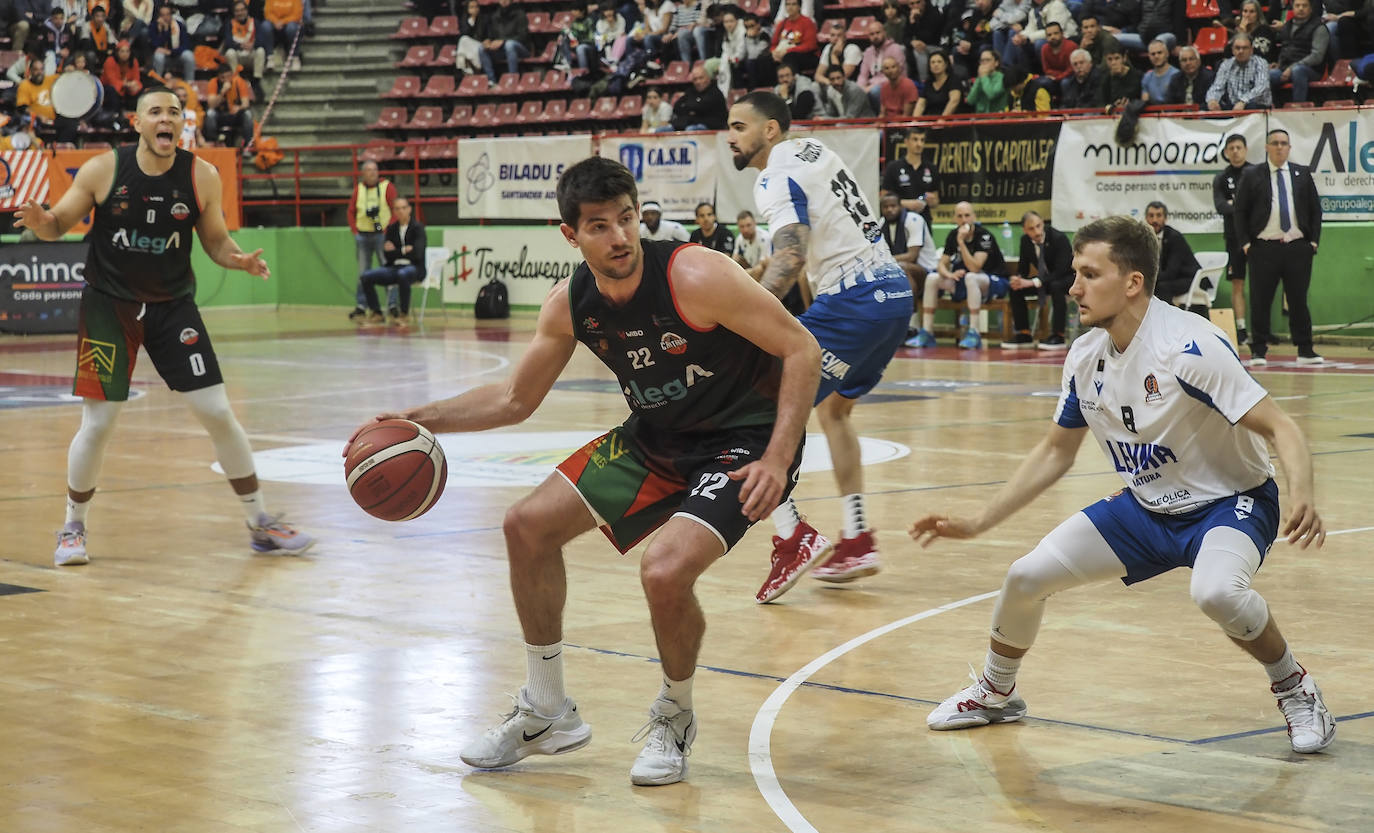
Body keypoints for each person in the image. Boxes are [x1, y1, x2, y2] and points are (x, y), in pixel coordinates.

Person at [352, 155, 820, 787]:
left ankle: (673, 716)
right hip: (655, 439)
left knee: (664, 571)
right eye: (599, 226)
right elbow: (515, 399)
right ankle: (547, 710)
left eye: (626, 219)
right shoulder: (571, 304)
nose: (620, 236)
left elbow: (801, 347)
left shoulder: (696, 274)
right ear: (570, 234)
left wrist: (779, 455)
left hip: (742, 443)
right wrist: (424, 417)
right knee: (526, 526)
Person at [911, 215, 1334, 758]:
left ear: (1132, 282)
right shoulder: (1086, 356)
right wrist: (976, 523)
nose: (1074, 286)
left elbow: (1282, 426)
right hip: (1145, 507)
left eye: (1089, 274)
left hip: (1230, 503)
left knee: (1216, 592)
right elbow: (1055, 452)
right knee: (1023, 577)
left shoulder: (1190, 347)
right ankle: (996, 693)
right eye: (1074, 273)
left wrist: (1303, 493)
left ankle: (1297, 689)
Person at [15, 86, 313, 568]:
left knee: (217, 411)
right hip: (109, 307)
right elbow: (58, 224)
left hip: (172, 307)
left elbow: (216, 241)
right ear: (137, 122)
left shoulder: (202, 176)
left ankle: (260, 523)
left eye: (174, 112)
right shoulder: (103, 170)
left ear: (182, 123)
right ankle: (73, 526)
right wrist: (40, 220)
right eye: (156, 111)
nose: (166, 119)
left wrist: (237, 260)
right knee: (100, 422)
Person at [728, 91, 915, 599]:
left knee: (749, 411)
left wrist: (747, 321)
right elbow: (798, 256)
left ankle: (792, 537)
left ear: (770, 131)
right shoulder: (816, 153)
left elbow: (791, 255)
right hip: (894, 294)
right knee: (833, 412)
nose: (731, 137)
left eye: (740, 127)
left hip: (855, 301)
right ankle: (856, 537)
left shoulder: (773, 176)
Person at [1235, 128, 1324, 366]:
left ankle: (1305, 350)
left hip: (1297, 248)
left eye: (1284, 143)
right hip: (1263, 248)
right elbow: (1240, 211)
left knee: (1298, 299)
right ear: (1266, 147)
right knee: (1261, 300)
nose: (1279, 147)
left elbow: (1316, 210)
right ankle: (1259, 351)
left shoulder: (1302, 174)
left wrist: (1313, 242)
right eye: (1274, 143)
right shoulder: (1253, 174)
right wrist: (1245, 243)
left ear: (1289, 147)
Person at [909, 201, 1010, 350]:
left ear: (973, 217)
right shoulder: (953, 235)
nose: (964, 220)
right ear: (955, 219)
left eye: (967, 215)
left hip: (994, 281)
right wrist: (949, 274)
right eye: (960, 216)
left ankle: (974, 332)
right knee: (932, 278)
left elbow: (975, 267)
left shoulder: (984, 236)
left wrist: (961, 243)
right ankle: (927, 332)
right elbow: (941, 265)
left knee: (971, 277)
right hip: (967, 282)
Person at [1002, 210, 1072, 349]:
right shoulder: (1025, 241)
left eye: (1039, 226)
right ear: (1024, 230)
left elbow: (1061, 271)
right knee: (1015, 289)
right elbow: (1023, 268)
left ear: (1043, 223)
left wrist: (1034, 282)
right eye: (1031, 228)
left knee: (1056, 286)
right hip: (1045, 281)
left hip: (1067, 278)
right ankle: (1024, 333)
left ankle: (1059, 335)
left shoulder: (1059, 238)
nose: (1037, 231)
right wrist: (1018, 279)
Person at [358, 197, 426, 328]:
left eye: (404, 208)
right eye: (397, 209)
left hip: (415, 269)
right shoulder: (391, 229)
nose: (401, 211)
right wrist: (404, 250)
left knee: (403, 274)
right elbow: (387, 255)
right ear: (394, 211)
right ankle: (376, 312)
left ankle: (404, 314)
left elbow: (417, 254)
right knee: (366, 276)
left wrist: (396, 251)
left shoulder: (418, 228)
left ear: (409, 209)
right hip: (394, 267)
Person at [1214, 133, 1255, 344]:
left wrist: (1236, 205)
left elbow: (1261, 205)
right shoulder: (1221, 178)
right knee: (1237, 283)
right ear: (1227, 152)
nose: (1236, 151)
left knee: (1260, 284)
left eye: (1239, 147)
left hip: (1257, 238)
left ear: (1245, 149)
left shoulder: (1256, 173)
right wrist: (1241, 207)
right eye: (1232, 148)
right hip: (1234, 239)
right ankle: (1241, 329)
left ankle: (1260, 329)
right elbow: (1221, 206)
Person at [347, 160, 399, 321]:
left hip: (382, 236)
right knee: (363, 272)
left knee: (389, 270)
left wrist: (388, 231)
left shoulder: (387, 187)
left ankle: (392, 305)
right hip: (363, 236)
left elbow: (395, 209)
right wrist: (355, 231)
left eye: (375, 170)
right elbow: (350, 211)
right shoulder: (359, 190)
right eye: (369, 170)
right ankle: (362, 306)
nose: (372, 173)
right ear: (363, 173)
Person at [879, 194, 939, 319]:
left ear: (900, 207)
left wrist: (884, 261)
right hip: (897, 268)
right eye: (885, 207)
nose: (890, 209)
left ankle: (911, 321)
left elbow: (912, 256)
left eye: (893, 206)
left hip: (927, 271)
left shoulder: (914, 220)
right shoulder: (882, 223)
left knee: (902, 269)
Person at [1144, 200, 1202, 311]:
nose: (1154, 220)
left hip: (1189, 278)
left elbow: (1172, 272)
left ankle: (1167, 320)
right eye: (1151, 216)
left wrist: (1149, 279)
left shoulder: (1174, 237)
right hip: (1167, 278)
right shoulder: (1145, 238)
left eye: (1159, 215)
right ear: (1146, 218)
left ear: (1165, 218)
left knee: (1161, 287)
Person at [881, 128, 940, 232]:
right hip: (899, 222)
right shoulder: (893, 167)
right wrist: (908, 204)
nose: (919, 144)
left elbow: (936, 201)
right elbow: (883, 197)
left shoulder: (931, 168)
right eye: (915, 139)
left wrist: (932, 200)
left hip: (924, 222)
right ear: (906, 142)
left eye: (922, 140)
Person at [1270, 0, 1328, 104]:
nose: (1301, 8)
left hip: (1312, 69)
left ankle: (1298, 108)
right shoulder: (1287, 26)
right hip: (1286, 68)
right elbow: (1285, 49)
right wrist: (1279, 64)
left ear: (1310, 9)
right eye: (1297, 5)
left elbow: (1317, 56)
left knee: (1298, 71)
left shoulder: (1319, 27)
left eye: (1304, 6)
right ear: (1293, 8)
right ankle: (1272, 110)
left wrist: (1291, 68)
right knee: (1268, 75)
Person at [1206, 33, 1272, 110]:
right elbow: (1217, 86)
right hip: (1234, 106)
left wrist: (1243, 101)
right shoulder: (1226, 64)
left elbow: (1261, 87)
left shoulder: (1261, 63)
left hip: (1256, 105)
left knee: (1251, 106)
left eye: (1245, 48)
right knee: (1207, 106)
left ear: (1251, 50)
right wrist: (1212, 100)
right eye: (1237, 48)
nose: (1241, 51)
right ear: (1233, 50)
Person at [476, 0, 530, 83]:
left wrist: (504, 41)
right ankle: (491, 81)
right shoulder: (495, 16)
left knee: (510, 45)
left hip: (521, 48)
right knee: (481, 48)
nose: (504, 1)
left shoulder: (520, 14)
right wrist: (488, 41)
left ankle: (513, 79)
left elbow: (523, 36)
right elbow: (492, 36)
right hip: (501, 50)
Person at [203, 64, 254, 149]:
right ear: (218, 77)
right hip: (220, 115)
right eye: (223, 77)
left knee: (248, 114)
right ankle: (212, 143)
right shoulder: (213, 83)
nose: (226, 80)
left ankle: (248, 145)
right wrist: (222, 92)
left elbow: (246, 103)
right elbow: (211, 105)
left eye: (228, 76)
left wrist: (239, 108)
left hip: (235, 115)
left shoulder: (239, 81)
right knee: (210, 113)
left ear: (232, 74)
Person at [671, 63, 728, 131]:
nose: (698, 81)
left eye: (701, 78)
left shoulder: (715, 92)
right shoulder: (691, 91)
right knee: (663, 129)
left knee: (690, 129)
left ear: (708, 78)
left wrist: (688, 108)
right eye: (695, 79)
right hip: (689, 123)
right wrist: (692, 110)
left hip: (712, 128)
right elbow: (677, 107)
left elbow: (701, 107)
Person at [913, 50, 965, 116]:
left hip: (951, 120)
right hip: (931, 118)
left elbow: (954, 101)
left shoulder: (954, 80)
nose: (936, 65)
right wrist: (915, 121)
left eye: (939, 62)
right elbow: (921, 104)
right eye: (932, 62)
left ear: (946, 64)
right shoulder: (928, 82)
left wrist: (942, 120)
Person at [732, 209, 772, 282]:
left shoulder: (764, 237)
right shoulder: (739, 238)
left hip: (766, 272)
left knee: (759, 269)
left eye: (748, 225)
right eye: (742, 226)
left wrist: (744, 273)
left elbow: (762, 265)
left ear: (754, 223)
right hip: (750, 269)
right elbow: (734, 259)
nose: (745, 230)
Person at [967, 47, 1009, 112]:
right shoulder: (980, 78)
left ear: (996, 63)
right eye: (982, 60)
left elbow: (991, 95)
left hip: (998, 118)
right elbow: (970, 100)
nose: (984, 63)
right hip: (980, 118)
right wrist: (979, 78)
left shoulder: (1002, 78)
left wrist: (983, 76)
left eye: (988, 60)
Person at [1140, 38, 1179, 103]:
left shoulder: (1177, 75)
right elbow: (1144, 103)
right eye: (1153, 54)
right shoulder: (1147, 77)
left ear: (1167, 54)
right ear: (1149, 56)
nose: (1156, 56)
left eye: (1159, 52)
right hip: (1153, 112)